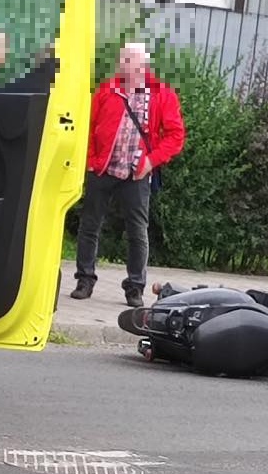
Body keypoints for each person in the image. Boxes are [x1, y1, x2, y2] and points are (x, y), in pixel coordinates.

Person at [70, 42, 185, 307]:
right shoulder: (108, 89)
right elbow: (88, 125)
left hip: (136, 173)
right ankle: (84, 280)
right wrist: (90, 160)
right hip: (103, 168)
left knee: (137, 231)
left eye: (129, 60)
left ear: (143, 64)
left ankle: (135, 288)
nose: (123, 64)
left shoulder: (162, 94)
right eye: (123, 59)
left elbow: (175, 136)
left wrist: (151, 161)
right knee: (90, 226)